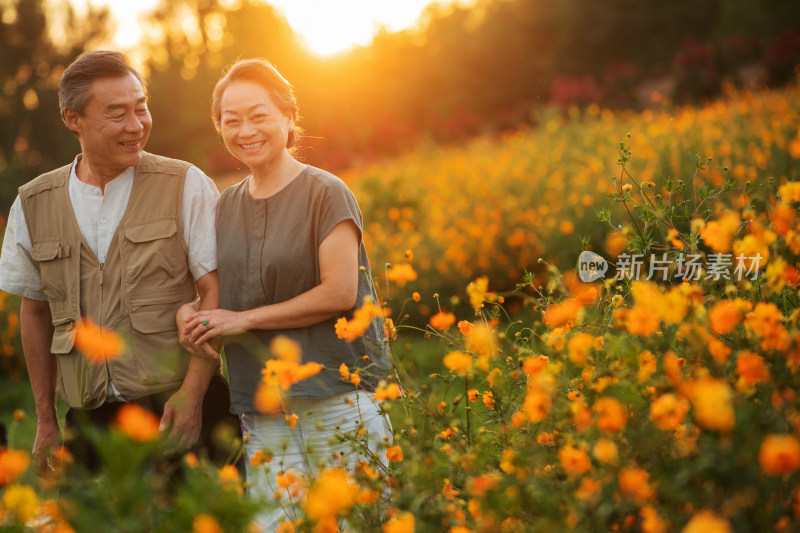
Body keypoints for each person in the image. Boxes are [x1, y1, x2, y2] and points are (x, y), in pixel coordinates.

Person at [180, 58, 394, 528]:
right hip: (263, 405)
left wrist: (244, 320)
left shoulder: (326, 193)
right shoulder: (224, 207)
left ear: (288, 118)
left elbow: (339, 292)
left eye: (258, 115)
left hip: (335, 395)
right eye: (230, 121)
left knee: (357, 521)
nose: (245, 130)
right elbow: (217, 290)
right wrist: (190, 312)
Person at [0, 50, 235, 473]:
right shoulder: (32, 203)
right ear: (73, 119)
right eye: (117, 113)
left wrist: (194, 395)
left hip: (176, 407)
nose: (136, 125)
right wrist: (47, 421)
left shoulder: (186, 184)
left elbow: (214, 293)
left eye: (141, 108)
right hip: (90, 425)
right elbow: (34, 312)